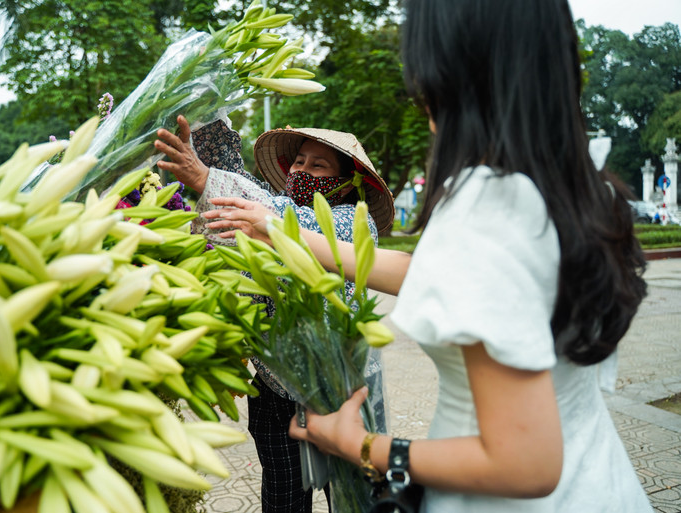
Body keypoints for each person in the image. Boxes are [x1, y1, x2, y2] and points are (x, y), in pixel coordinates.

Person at [199, 0, 653, 510]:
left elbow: (525, 463)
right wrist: (280, 231)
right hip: (602, 480)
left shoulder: (491, 200)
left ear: (452, 71)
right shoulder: (578, 188)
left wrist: (359, 445)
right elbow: (445, 275)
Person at [153, 117, 395, 513]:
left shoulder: (354, 220)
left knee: (354, 500)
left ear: (347, 182)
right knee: (283, 501)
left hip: (341, 392)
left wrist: (207, 180)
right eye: (299, 161)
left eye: (318, 165)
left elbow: (291, 224)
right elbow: (235, 185)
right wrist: (204, 119)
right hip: (276, 390)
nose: (302, 170)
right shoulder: (271, 206)